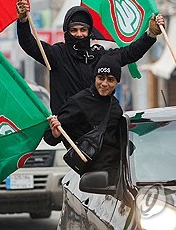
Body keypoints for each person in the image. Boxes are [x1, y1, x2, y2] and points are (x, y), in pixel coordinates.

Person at [16, 0, 165, 114]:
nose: (79, 34)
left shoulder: (100, 56)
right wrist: (23, 20)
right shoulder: (57, 54)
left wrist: (150, 34)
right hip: (69, 130)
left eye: (83, 29)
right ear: (67, 32)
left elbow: (130, 53)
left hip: (98, 129)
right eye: (74, 30)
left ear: (89, 32)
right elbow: (29, 43)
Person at [45, 52, 126, 183]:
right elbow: (49, 138)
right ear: (95, 78)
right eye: (101, 78)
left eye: (110, 79)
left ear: (117, 82)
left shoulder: (116, 107)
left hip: (118, 177)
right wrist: (55, 134)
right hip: (93, 178)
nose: (104, 83)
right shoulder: (79, 102)